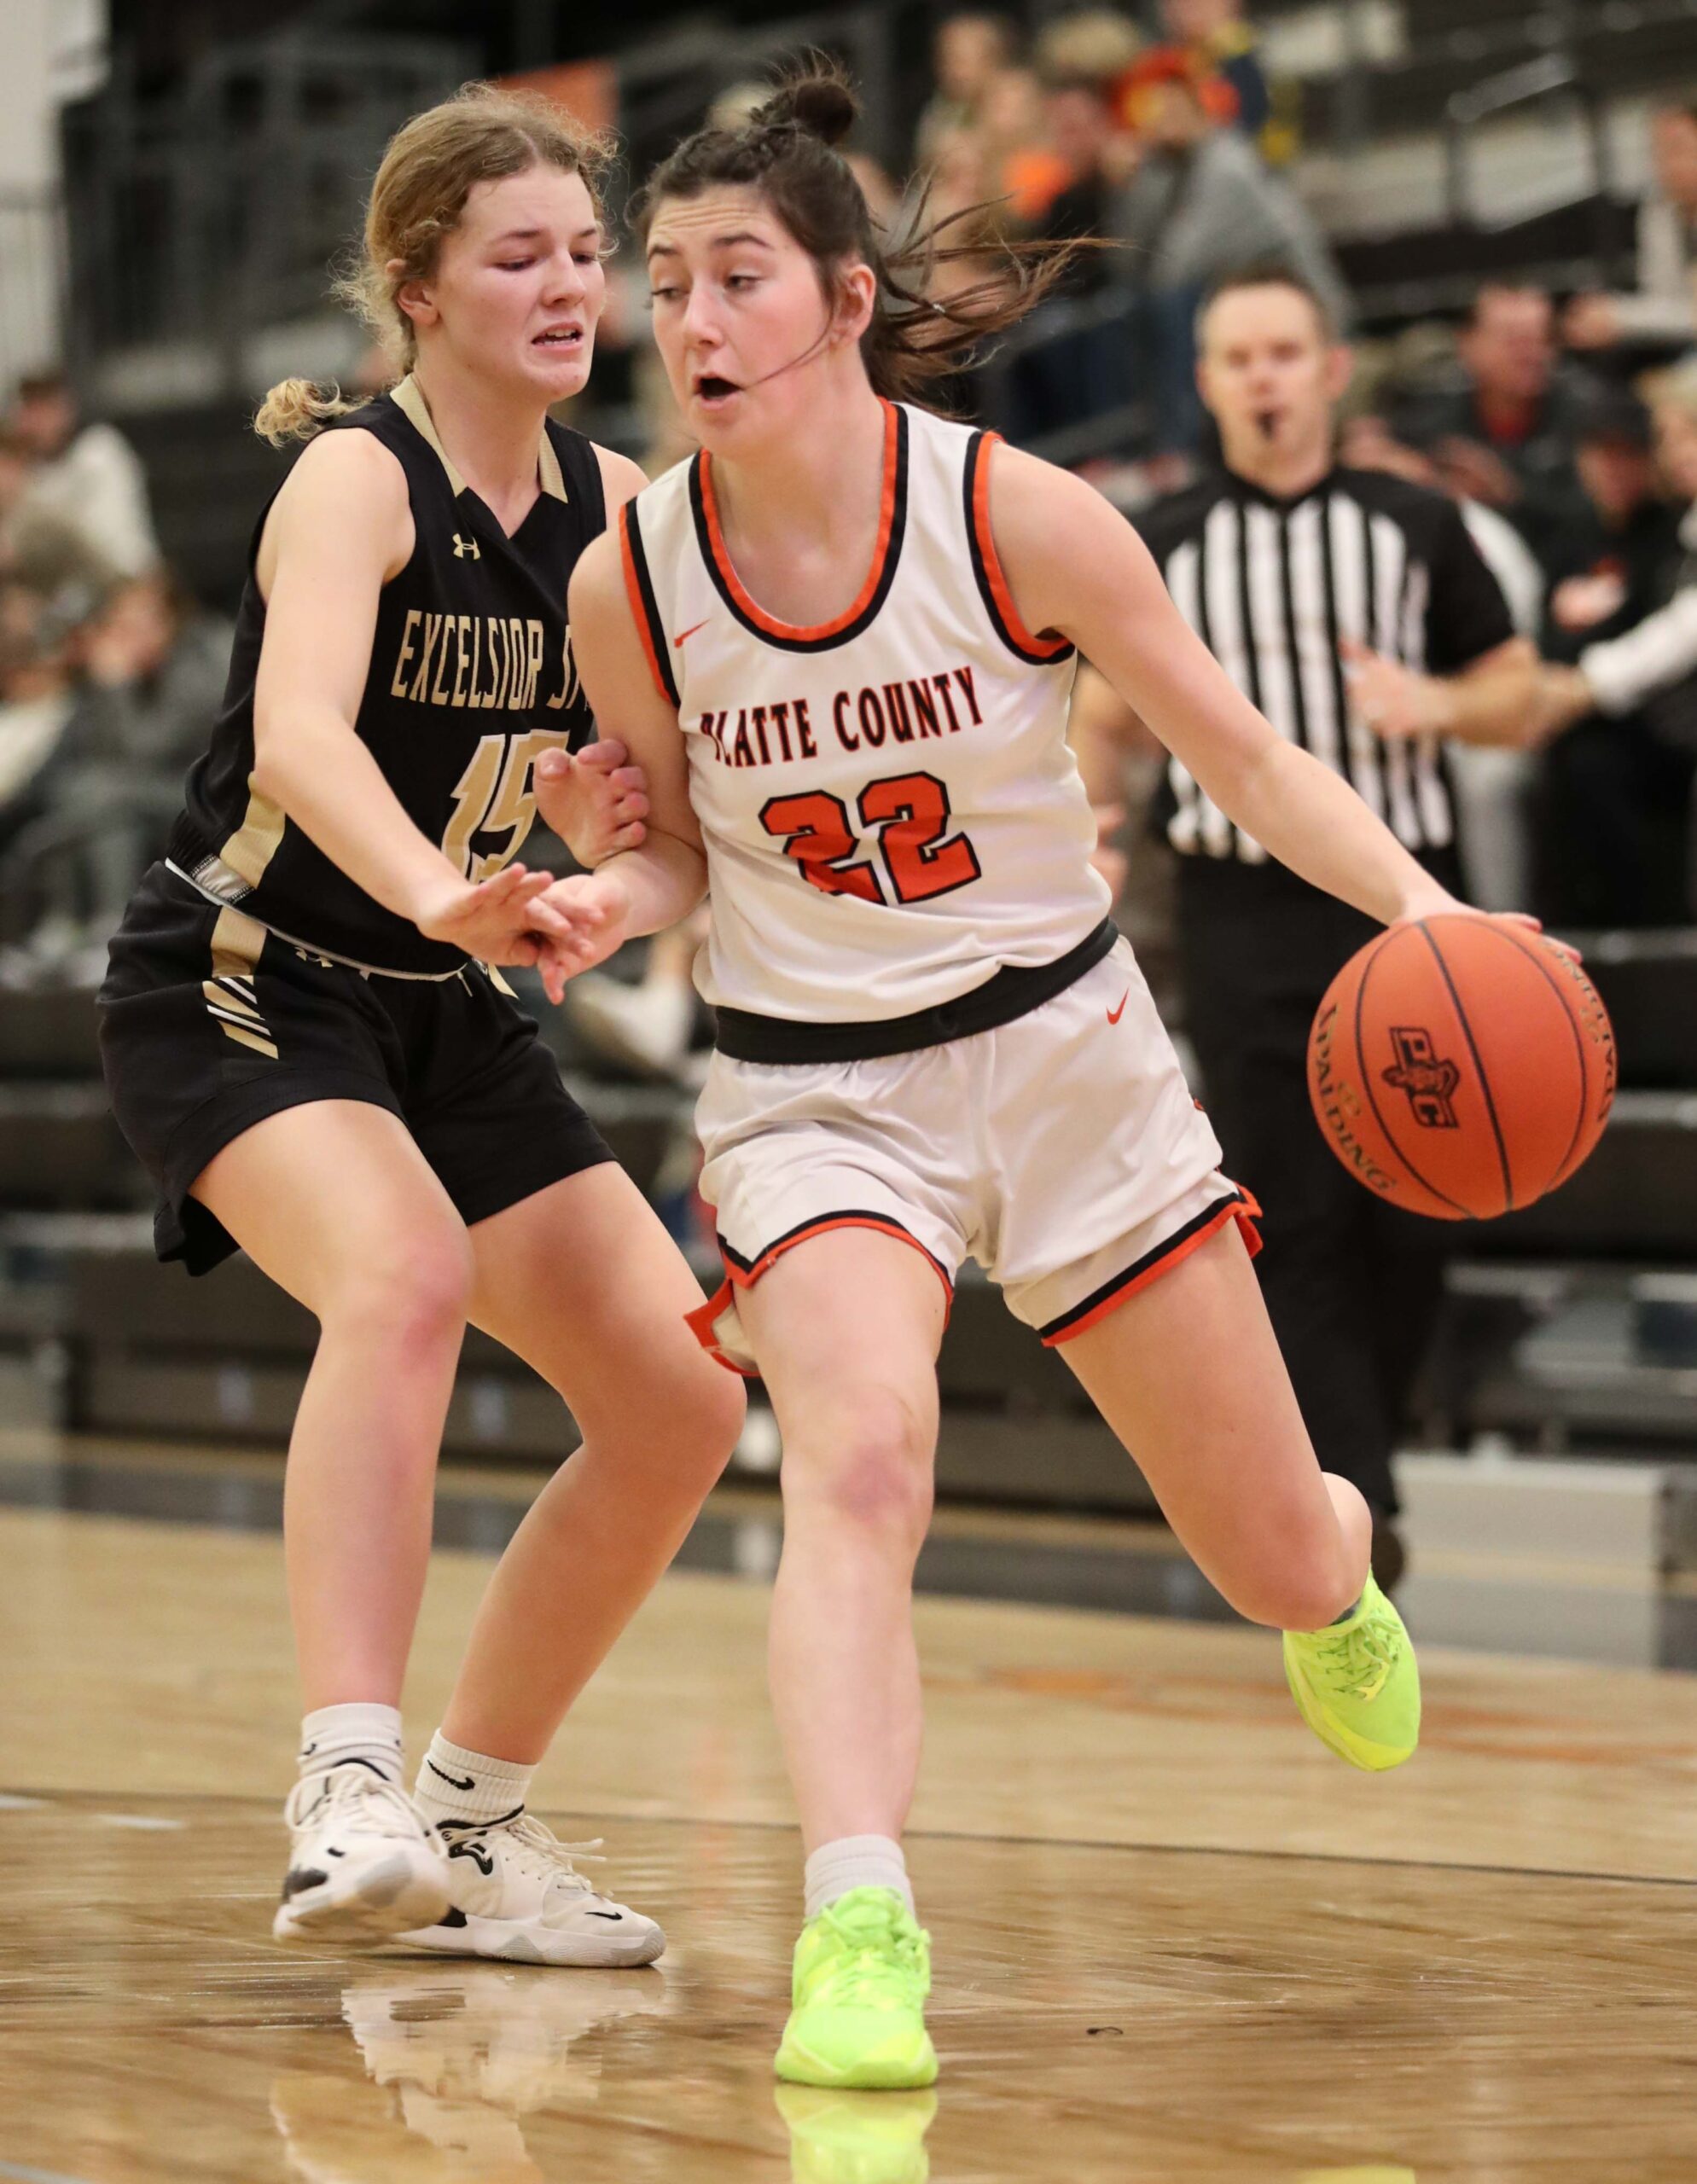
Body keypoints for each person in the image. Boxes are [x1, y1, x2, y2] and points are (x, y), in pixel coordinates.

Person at [531, 70, 1546, 2091]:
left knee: (1270, 1551)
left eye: (738, 277)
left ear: (842, 300)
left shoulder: (1010, 513)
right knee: (859, 1459)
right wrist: (596, 889)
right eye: (669, 281)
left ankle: (1327, 1558)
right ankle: (857, 1919)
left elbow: (1244, 760)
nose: (692, 320)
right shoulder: (627, 577)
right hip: (818, 1095)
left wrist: (1438, 914)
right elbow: (678, 861)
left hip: (1066, 1060)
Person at [95, 86, 743, 1956]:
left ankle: (468, 1817)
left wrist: (595, 866)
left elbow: (627, 809)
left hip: (433, 998)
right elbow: (300, 734)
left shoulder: (617, 516)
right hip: (240, 975)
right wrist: (434, 888)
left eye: (586, 254)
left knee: (681, 1396)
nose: (569, 287)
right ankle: (345, 1781)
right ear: (420, 286)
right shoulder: (355, 479)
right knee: (402, 1273)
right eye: (519, 255)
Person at [1093, 265, 1537, 1584]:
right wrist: (1089, 826)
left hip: (1400, 898)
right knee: (1290, 1213)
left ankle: (1360, 1458)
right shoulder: (1162, 539)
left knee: (1418, 1211)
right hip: (1237, 909)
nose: (1264, 379)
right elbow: (1106, 715)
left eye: (1284, 353)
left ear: (1333, 371)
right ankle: (1359, 1505)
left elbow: (1515, 691)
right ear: (1208, 382)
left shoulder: (1418, 523)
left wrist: (1435, 707)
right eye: (1238, 359)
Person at [1565, 101, 1697, 355]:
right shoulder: (1659, 209)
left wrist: (1622, 317)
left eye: (1678, 148)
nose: (1667, 164)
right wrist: (1611, 314)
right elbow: (1661, 299)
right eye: (1657, 152)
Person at [7, 369, 160, 581]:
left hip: (129, 581)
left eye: (46, 408)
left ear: (66, 408)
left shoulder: (100, 449)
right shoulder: (30, 472)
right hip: (76, 592)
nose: (37, 421)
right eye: (30, 409)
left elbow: (88, 538)